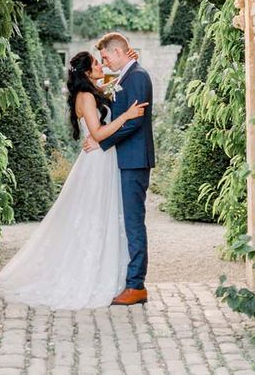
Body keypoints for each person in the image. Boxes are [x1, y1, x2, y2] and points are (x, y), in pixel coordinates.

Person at [0, 51, 148, 310]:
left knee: (103, 216)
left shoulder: (92, 90)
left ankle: (109, 271)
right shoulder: (86, 97)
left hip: (104, 160)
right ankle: (88, 273)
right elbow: (98, 133)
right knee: (93, 216)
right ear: (87, 72)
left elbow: (112, 84)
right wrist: (126, 116)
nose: (102, 65)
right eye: (97, 63)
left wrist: (130, 59)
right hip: (98, 161)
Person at [83, 32, 155, 306]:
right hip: (126, 158)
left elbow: (134, 122)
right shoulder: (126, 75)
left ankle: (136, 285)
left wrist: (102, 142)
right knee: (128, 221)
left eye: (105, 57)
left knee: (134, 222)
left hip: (134, 159)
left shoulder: (137, 76)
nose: (104, 62)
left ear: (117, 52)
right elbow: (115, 103)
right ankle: (130, 281)